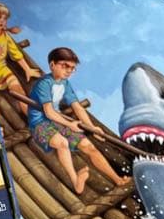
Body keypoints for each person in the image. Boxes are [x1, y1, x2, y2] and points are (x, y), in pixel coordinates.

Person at [28, 47, 131, 194]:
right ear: (52, 65)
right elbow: (49, 112)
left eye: (72, 68)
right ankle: (76, 181)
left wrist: (92, 127)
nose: (69, 71)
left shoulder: (65, 84)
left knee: (89, 146)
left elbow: (77, 107)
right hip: (40, 123)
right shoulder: (44, 84)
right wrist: (70, 124)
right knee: (62, 143)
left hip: (57, 121)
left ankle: (117, 179)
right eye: (65, 66)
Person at [0, 2, 40, 113]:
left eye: (5, 19)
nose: (2, 21)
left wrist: (27, 69)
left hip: (4, 71)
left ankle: (31, 117)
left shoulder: (5, 36)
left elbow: (15, 53)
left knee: (20, 93)